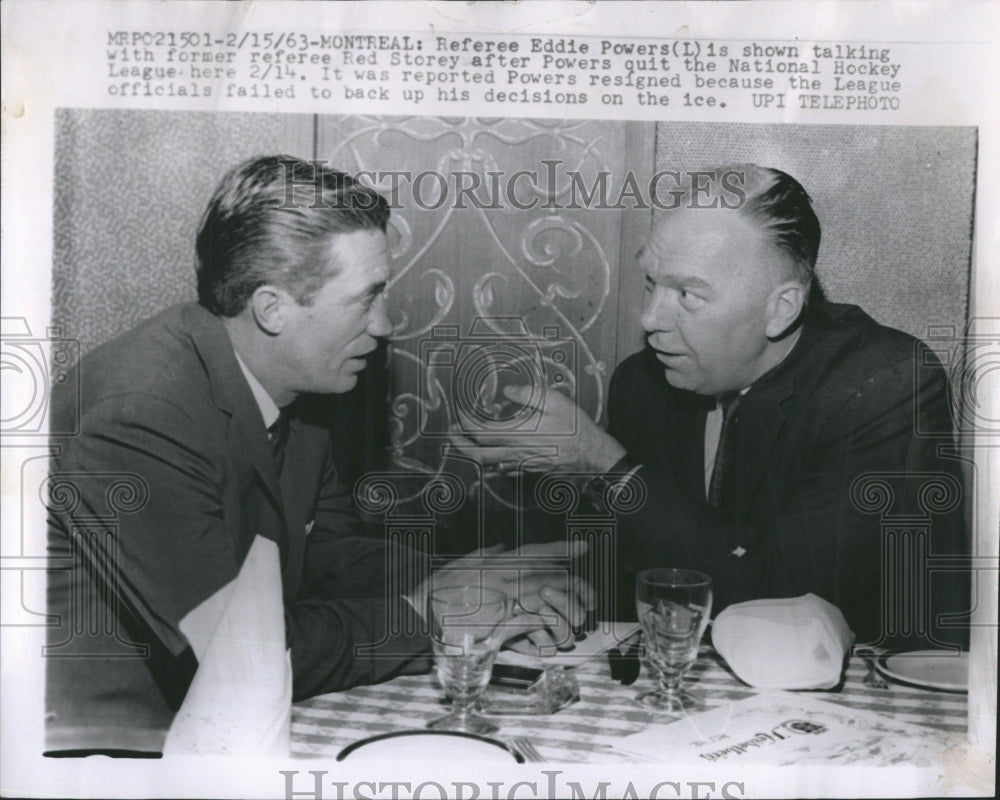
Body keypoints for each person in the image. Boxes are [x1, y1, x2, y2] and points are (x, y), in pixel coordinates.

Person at [45, 155, 591, 755]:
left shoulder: (296, 385)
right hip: (118, 755)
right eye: (366, 298)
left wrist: (460, 578)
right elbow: (241, 660)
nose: (384, 325)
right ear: (272, 308)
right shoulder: (140, 416)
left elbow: (324, 552)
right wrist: (430, 617)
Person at [452, 164, 968, 648]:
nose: (651, 318)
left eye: (689, 295)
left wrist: (604, 464)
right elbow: (643, 558)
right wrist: (562, 591)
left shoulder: (885, 382)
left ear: (781, 309)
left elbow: (795, 600)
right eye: (651, 283)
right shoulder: (643, 382)